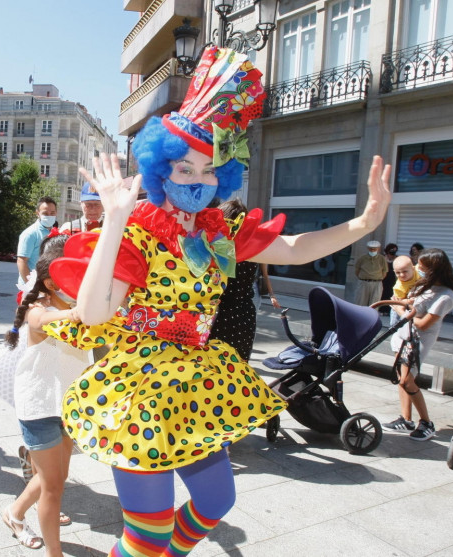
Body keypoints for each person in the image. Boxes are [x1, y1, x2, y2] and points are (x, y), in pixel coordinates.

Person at [47, 45, 391, 556]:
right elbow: (94, 314)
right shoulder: (139, 229)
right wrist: (116, 220)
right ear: (161, 170)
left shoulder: (221, 231)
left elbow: (294, 248)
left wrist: (364, 223)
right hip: (139, 387)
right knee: (148, 534)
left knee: (216, 499)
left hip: (201, 378)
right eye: (184, 168)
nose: (198, 180)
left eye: (209, 170)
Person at [2, 238, 84, 555]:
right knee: (53, 484)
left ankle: (14, 512)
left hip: (67, 404)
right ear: (51, 281)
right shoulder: (41, 308)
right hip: (39, 407)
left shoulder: (73, 303)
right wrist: (74, 313)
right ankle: (54, 553)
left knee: (57, 476)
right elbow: (40, 320)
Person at [382, 249, 453, 441]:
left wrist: (400, 309)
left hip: (418, 342)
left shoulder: (446, 296)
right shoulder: (426, 285)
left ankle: (426, 422)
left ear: (435, 270)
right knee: (402, 378)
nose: (419, 269)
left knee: (408, 381)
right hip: (403, 336)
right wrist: (397, 302)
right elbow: (413, 301)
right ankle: (406, 418)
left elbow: (423, 323)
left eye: (423, 267)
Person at [209, 200, 282, 362]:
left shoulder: (216, 248)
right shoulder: (252, 248)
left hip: (221, 313)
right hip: (244, 313)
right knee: (239, 365)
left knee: (213, 367)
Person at [16, 197, 57, 284]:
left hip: (48, 285)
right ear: (37, 213)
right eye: (45, 213)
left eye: (52, 213)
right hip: (33, 286)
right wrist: (31, 286)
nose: (49, 216)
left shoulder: (55, 232)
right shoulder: (30, 234)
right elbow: (21, 261)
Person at [353, 240, 388, 306]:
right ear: (368, 248)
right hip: (364, 283)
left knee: (375, 304)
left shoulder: (382, 259)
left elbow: (384, 271)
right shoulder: (362, 258)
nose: (373, 250)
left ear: (378, 249)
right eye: (371, 249)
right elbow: (357, 270)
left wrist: (377, 278)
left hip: (377, 283)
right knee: (360, 303)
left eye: (375, 249)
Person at [389, 255, 419, 327]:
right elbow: (399, 304)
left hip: (415, 304)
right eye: (398, 273)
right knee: (395, 323)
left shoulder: (419, 271)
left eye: (405, 271)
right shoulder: (399, 287)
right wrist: (410, 300)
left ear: (413, 268)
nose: (402, 275)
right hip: (402, 306)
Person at [380, 243, 399, 313]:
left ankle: (387, 311)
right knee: (382, 293)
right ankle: (381, 309)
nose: (392, 254)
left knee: (390, 294)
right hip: (383, 279)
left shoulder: (396, 258)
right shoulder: (383, 258)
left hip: (392, 280)